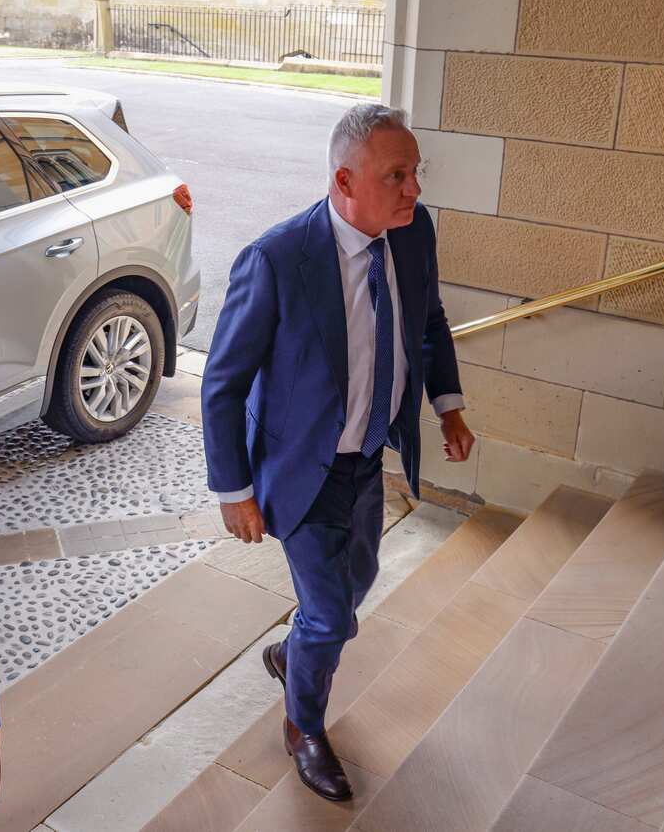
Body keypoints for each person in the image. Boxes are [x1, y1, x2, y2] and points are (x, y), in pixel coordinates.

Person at [201, 104, 475, 802]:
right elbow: (223, 382)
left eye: (415, 173)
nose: (414, 189)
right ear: (345, 181)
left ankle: (293, 653)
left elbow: (429, 320)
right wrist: (234, 490)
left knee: (355, 586)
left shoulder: (413, 233)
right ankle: (303, 727)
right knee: (330, 615)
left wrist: (448, 406)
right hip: (300, 467)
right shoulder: (277, 259)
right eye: (397, 175)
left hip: (366, 459)